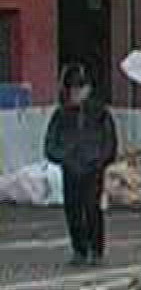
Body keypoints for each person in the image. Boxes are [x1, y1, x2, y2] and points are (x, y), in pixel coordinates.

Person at [44, 63, 117, 266]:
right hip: (70, 169)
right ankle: (79, 249)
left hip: (93, 168)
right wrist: (63, 158)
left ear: (88, 89)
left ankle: (96, 249)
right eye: (73, 89)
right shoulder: (61, 114)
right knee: (73, 210)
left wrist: (101, 160)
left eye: (80, 88)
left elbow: (110, 141)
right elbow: (50, 142)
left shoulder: (100, 113)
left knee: (92, 208)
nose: (76, 93)